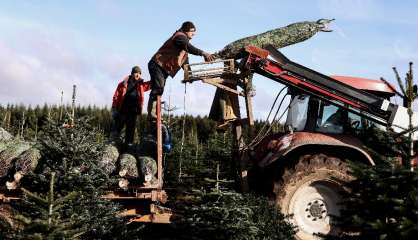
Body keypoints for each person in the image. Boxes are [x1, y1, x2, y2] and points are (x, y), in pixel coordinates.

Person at [147, 21, 215, 120]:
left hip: (162, 68)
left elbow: (185, 63)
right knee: (158, 88)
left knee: (159, 88)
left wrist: (190, 75)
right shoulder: (180, 37)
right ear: (186, 30)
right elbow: (189, 47)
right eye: (192, 31)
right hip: (157, 64)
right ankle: (152, 114)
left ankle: (154, 113)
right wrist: (203, 53)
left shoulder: (183, 44)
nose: (194, 34)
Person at [111, 66, 151, 145]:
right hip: (122, 110)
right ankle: (113, 143)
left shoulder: (141, 85)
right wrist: (114, 108)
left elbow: (150, 84)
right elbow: (116, 96)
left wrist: (158, 76)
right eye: (136, 73)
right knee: (117, 128)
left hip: (133, 112)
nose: (137, 75)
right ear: (132, 73)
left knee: (130, 131)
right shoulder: (123, 84)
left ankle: (128, 147)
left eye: (139, 73)